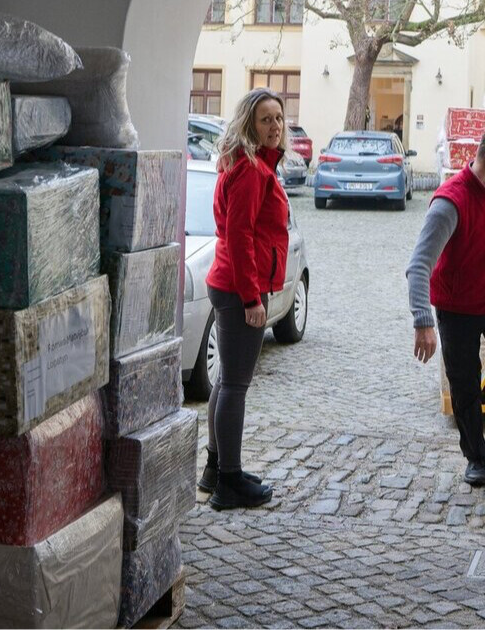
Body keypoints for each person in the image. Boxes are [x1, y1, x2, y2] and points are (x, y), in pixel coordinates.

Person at [407, 125, 485, 486]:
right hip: (458, 306)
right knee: (464, 385)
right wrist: (422, 320)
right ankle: (475, 456)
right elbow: (418, 265)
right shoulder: (449, 203)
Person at [198, 87, 289, 510]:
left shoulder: (251, 164)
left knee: (226, 380)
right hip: (239, 288)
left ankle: (217, 468)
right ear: (249, 124)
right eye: (265, 119)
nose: (275, 126)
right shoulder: (251, 170)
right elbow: (240, 236)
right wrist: (253, 298)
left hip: (229, 282)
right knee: (235, 384)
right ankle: (229, 484)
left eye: (279, 118)